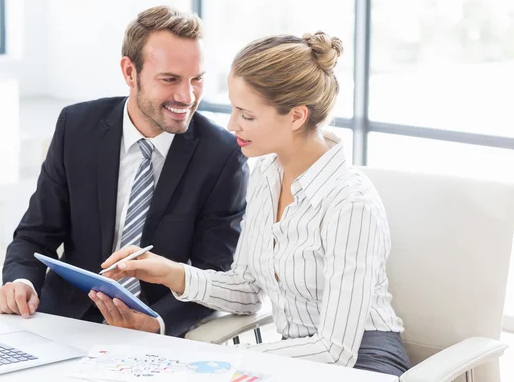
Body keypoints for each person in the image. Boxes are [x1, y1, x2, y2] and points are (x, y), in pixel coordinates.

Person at [99, 32, 411, 376]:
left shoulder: (350, 203)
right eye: (234, 109)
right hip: (292, 357)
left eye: (246, 115)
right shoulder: (265, 175)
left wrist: (233, 361)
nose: (232, 125)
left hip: (359, 364)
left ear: (296, 116)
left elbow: (336, 350)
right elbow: (247, 292)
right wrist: (170, 272)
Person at [0, 6, 249, 338]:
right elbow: (35, 234)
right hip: (65, 319)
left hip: (153, 329)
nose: (187, 96)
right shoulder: (77, 127)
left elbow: (213, 274)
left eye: (197, 79)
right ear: (130, 72)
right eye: (170, 79)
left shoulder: (222, 155)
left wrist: (157, 323)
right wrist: (21, 281)